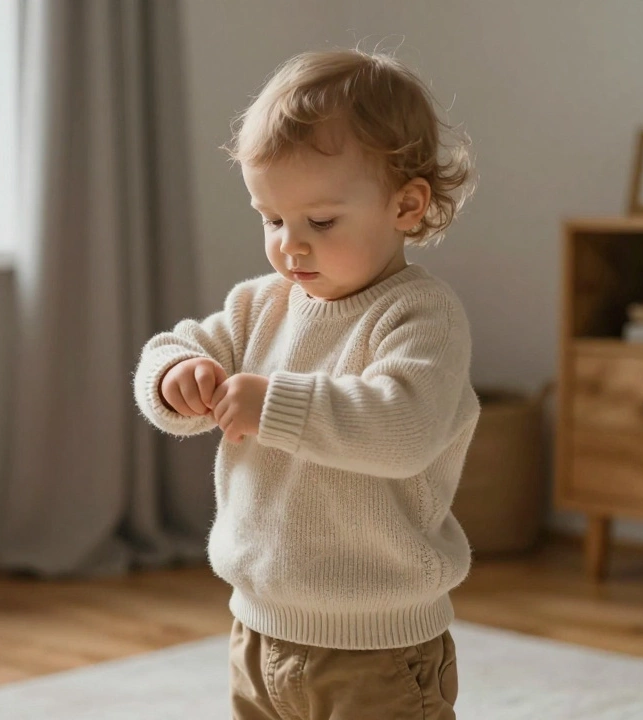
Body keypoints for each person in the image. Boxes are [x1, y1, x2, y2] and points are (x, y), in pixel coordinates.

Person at [133, 48, 479, 720]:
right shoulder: (259, 304)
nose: (290, 246)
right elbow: (173, 346)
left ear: (407, 206)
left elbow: (402, 429)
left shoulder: (420, 316)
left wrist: (273, 404)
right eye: (271, 219)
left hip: (378, 649)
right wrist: (177, 376)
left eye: (320, 222)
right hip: (258, 628)